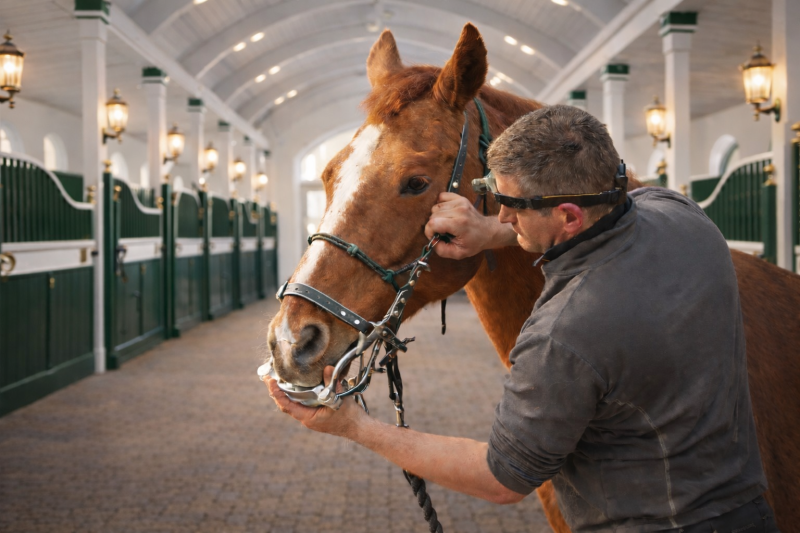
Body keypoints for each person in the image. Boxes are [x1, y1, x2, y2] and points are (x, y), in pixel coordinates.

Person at [266, 105, 778, 532]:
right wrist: (488, 233)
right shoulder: (684, 217)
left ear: (567, 217)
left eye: (510, 205)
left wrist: (357, 426)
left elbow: (500, 478)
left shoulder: (565, 332)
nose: (502, 215)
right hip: (747, 512)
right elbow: (629, 208)